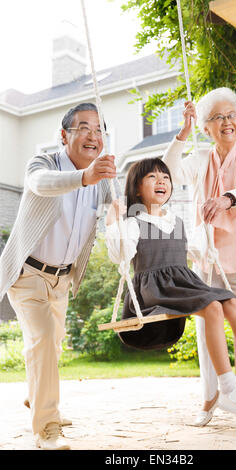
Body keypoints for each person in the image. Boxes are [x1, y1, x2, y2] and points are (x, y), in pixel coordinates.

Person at [105, 157, 236, 426]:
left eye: (166, 177)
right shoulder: (133, 222)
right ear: (137, 189)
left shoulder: (177, 221)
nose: (161, 181)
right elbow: (121, 256)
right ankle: (228, 386)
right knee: (212, 306)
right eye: (152, 177)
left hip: (182, 283)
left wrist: (208, 236)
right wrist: (112, 223)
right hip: (153, 289)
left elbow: (197, 250)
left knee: (228, 300)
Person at [0, 102, 119, 450]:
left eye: (99, 130)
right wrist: (85, 176)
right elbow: (40, 184)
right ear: (64, 135)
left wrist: (121, 232)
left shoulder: (103, 180)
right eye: (84, 127)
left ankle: (37, 397)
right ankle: (47, 427)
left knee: (52, 342)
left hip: (61, 280)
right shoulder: (44, 163)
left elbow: (116, 214)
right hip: (28, 274)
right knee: (43, 340)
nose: (93, 136)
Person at [163, 87, 236, 437]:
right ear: (206, 127)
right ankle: (209, 397)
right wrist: (182, 132)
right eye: (218, 117)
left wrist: (226, 199)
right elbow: (166, 171)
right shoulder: (198, 161)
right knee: (208, 335)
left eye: (232, 115)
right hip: (208, 265)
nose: (228, 122)